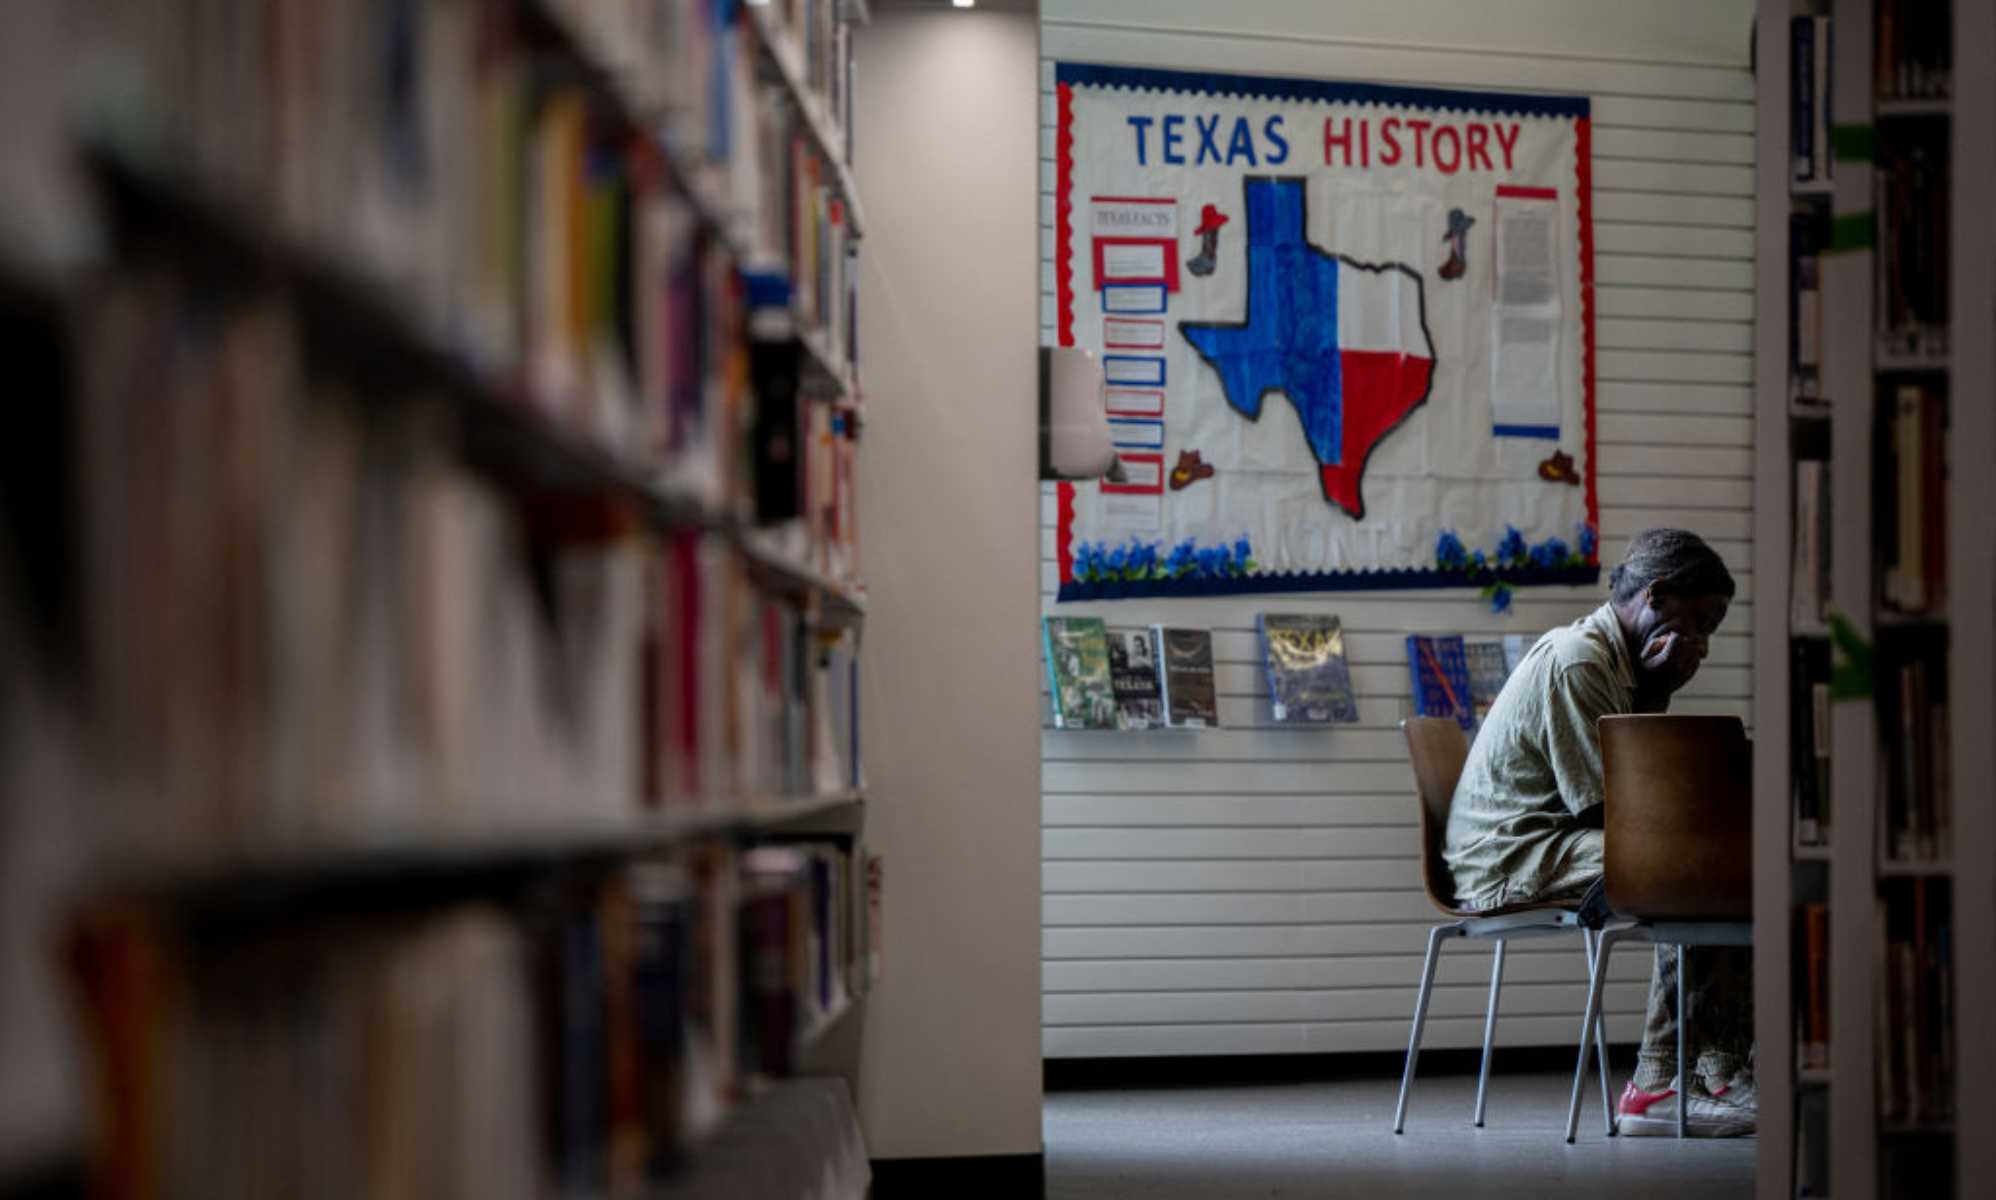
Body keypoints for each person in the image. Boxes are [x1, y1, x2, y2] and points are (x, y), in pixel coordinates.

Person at [1442, 528, 1753, 1136]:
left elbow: (1628, 798)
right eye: (1701, 622)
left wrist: (1657, 688)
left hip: (1546, 840)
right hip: (1510, 856)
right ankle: (1657, 1085)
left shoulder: (1619, 662)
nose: (1704, 645)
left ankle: (1718, 1070)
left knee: (1725, 867)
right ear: (1656, 596)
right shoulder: (1579, 661)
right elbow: (1613, 810)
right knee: (1688, 872)